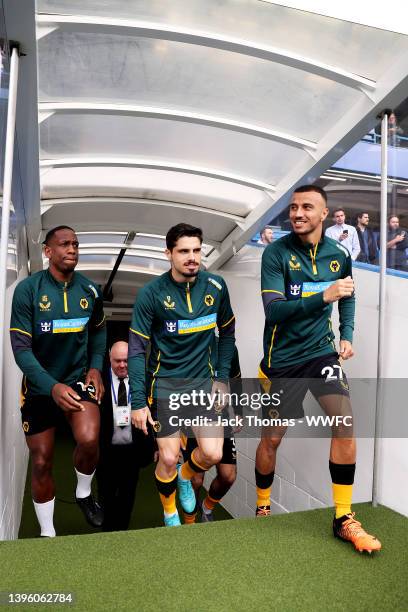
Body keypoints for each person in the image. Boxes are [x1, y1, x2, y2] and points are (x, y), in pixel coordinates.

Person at [255, 185, 381, 553]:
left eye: (307, 207)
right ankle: (263, 505)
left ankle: (343, 518)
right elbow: (274, 311)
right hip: (283, 360)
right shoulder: (276, 254)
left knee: (345, 422)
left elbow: (349, 294)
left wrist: (346, 334)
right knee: (272, 439)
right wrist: (321, 296)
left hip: (321, 354)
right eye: (293, 207)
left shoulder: (339, 253)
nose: (297, 213)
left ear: (324, 214)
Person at [128, 223, 235, 527]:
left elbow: (227, 333)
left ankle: (186, 478)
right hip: (166, 386)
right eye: (184, 251)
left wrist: (221, 377)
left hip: (203, 383)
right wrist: (138, 401)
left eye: (197, 250)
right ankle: (169, 509)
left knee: (212, 454)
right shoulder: (152, 294)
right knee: (168, 458)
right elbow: (136, 349)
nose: (192, 257)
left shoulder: (216, 287)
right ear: (169, 254)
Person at [10, 226, 106, 537]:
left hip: (78, 380)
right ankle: (48, 532)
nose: (73, 249)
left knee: (90, 439)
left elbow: (99, 332)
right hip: (40, 389)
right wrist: (51, 385)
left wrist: (95, 368)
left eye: (76, 244)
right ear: (48, 251)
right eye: (64, 244)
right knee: (41, 461)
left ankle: (82, 492)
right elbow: (21, 350)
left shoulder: (90, 291)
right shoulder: (29, 291)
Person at [180, 344, 241, 524]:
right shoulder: (186, 345)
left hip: (221, 417)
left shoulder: (227, 348)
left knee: (228, 475)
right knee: (196, 480)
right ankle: (189, 520)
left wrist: (238, 412)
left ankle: (206, 508)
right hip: (192, 418)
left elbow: (236, 379)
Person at [96, 341, 154, 531]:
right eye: (117, 361)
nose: (122, 365)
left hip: (133, 450)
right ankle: (106, 532)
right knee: (106, 494)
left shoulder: (145, 380)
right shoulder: (98, 381)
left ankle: (122, 532)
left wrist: (156, 445)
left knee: (127, 495)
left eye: (126, 361)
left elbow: (157, 411)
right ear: (109, 360)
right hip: (106, 450)